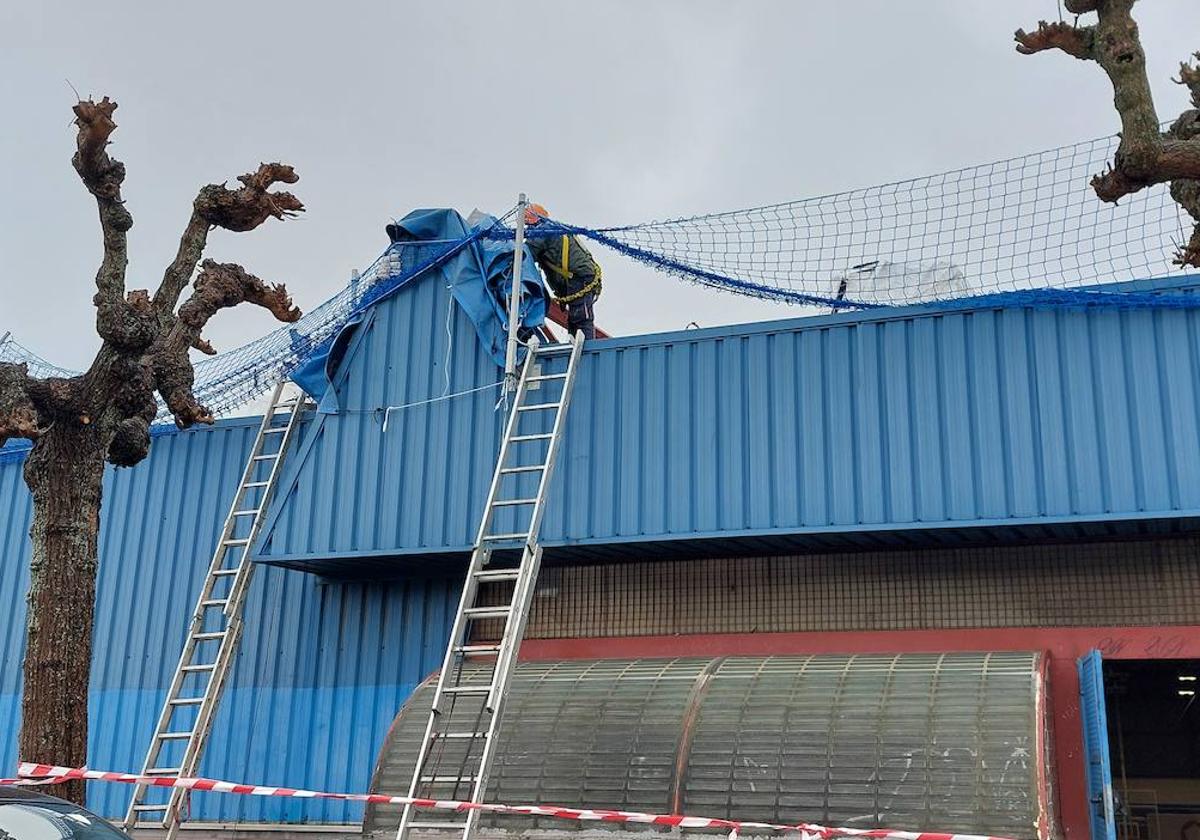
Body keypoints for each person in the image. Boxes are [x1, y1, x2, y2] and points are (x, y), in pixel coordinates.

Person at [522, 203, 601, 340]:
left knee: (581, 317)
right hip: (578, 276)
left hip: (578, 276)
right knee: (575, 317)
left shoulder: (543, 230)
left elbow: (527, 253)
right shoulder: (553, 228)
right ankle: (576, 342)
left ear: (532, 218)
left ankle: (587, 348)